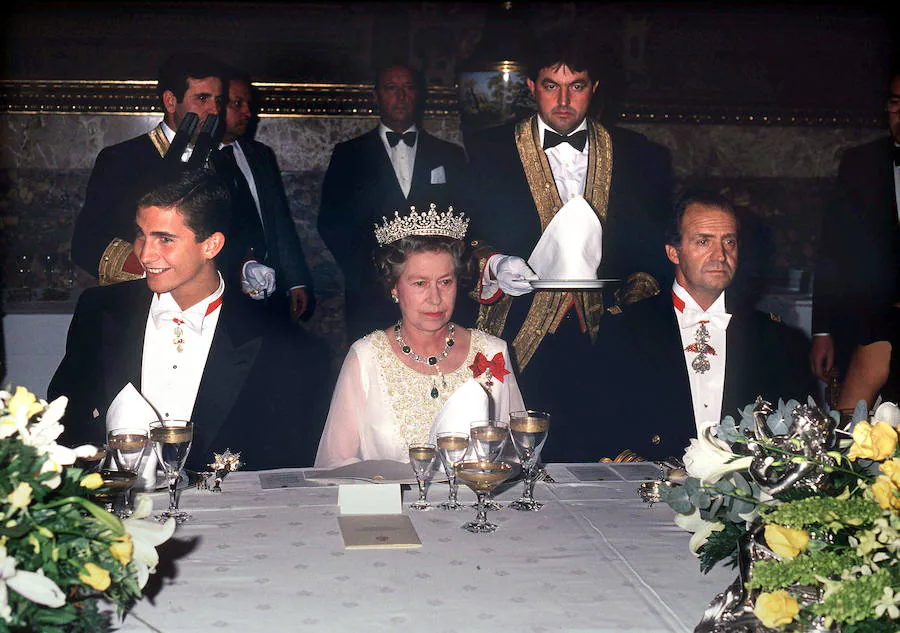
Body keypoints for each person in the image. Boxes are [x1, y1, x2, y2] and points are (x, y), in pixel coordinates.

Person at [464, 31, 673, 462]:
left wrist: (626, 306)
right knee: (511, 454)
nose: (563, 100)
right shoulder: (487, 149)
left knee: (599, 454)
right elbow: (462, 237)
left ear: (594, 89)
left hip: (605, 337)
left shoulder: (639, 155)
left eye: (576, 86)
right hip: (516, 330)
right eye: (550, 86)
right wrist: (495, 262)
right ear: (530, 88)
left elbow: (652, 250)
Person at [49, 169, 330, 470]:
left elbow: (285, 458)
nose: (145, 255)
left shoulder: (276, 338)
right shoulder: (99, 309)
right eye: (141, 234)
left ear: (211, 245)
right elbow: (64, 418)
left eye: (165, 240)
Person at [589, 190, 817, 462]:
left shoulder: (778, 339)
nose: (720, 255)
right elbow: (598, 426)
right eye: (703, 241)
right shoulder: (625, 329)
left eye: (729, 242)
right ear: (674, 252)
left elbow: (798, 437)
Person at [314, 205, 525, 468]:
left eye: (445, 282)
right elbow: (337, 463)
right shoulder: (366, 356)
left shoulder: (493, 352)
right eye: (420, 283)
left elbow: (516, 458)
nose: (435, 298)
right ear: (394, 288)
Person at [318, 62, 469, 343]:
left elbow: (465, 219)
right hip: (370, 293)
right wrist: (375, 276)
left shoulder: (450, 155)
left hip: (433, 297)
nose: (401, 96)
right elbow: (331, 223)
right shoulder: (349, 155)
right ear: (377, 95)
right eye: (391, 88)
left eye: (408, 88)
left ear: (419, 95)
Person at [70, 51, 227, 285]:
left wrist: (248, 264)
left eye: (218, 101)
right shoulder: (121, 159)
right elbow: (87, 243)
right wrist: (154, 268)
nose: (214, 111)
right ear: (171, 101)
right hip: (139, 302)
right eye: (203, 99)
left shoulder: (223, 162)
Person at [810, 66, 900, 402]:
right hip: (868, 326)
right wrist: (822, 330)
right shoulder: (860, 164)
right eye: (894, 103)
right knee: (854, 434)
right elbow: (831, 251)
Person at [211, 68, 316, 322]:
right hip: (220, 288)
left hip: (269, 288)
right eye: (238, 104)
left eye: (249, 104)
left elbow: (280, 222)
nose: (248, 112)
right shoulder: (195, 159)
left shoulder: (259, 155)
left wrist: (295, 280)